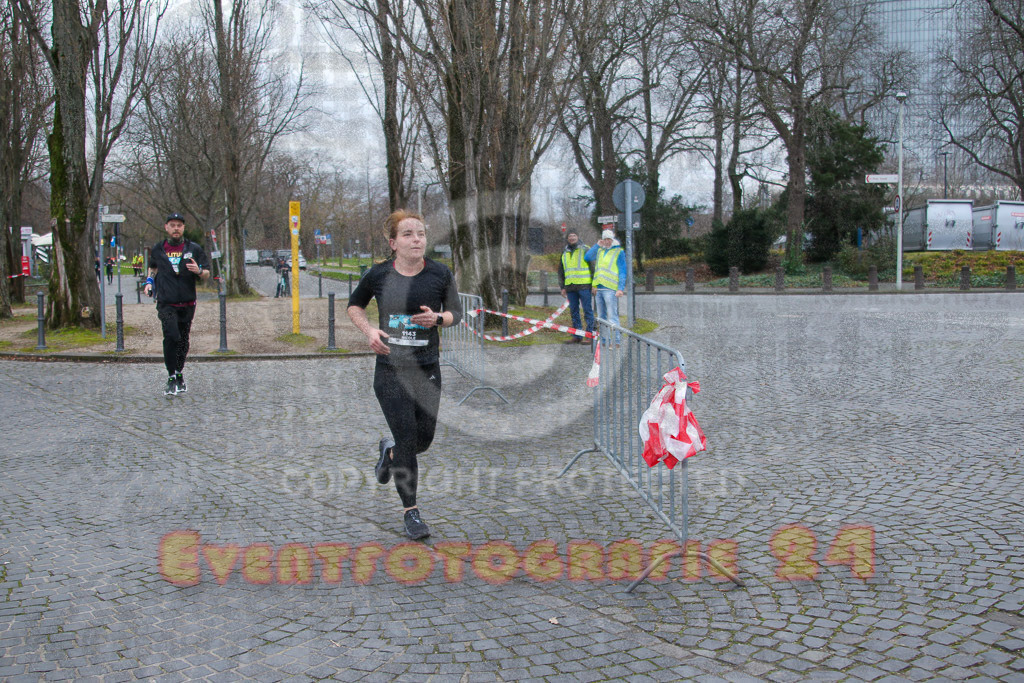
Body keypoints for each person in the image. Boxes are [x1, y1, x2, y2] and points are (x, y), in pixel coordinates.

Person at [347, 210, 462, 540]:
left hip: (427, 368)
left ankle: (390, 452)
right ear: (393, 242)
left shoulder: (439, 274)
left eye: (421, 234)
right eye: (409, 234)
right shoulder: (379, 275)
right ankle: (411, 511)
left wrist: (439, 319)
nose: (417, 239)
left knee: (423, 439)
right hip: (390, 370)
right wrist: (369, 330)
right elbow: (355, 306)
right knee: (409, 439)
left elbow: (456, 311)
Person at [143, 212, 211, 396]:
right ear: (166, 227)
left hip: (187, 302)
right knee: (171, 336)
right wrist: (149, 281)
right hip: (166, 302)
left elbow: (206, 273)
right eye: (172, 225)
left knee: (183, 340)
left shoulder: (193, 248)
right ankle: (171, 376)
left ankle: (179, 373)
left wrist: (199, 271)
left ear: (183, 228)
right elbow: (153, 267)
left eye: (179, 225)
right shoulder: (159, 249)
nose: (176, 228)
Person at [585, 229, 626, 347]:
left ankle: (616, 340)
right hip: (599, 289)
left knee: (612, 316)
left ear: (613, 240)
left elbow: (623, 270)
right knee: (601, 317)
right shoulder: (600, 251)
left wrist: (620, 288)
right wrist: (597, 245)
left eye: (609, 239)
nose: (607, 242)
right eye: (605, 239)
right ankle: (603, 340)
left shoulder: (618, 251)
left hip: (611, 288)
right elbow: (588, 257)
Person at [557, 229, 595, 344]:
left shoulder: (585, 249)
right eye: (570, 236)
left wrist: (594, 284)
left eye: (574, 236)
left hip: (584, 286)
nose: (572, 238)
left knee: (587, 310)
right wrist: (562, 287)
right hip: (570, 287)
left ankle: (589, 335)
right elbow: (561, 271)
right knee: (574, 311)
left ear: (578, 237)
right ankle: (577, 335)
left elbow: (593, 267)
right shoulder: (565, 252)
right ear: (567, 238)